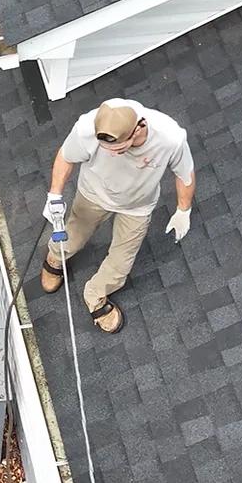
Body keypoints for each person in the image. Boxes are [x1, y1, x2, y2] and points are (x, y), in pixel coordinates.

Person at [41, 98, 196, 333]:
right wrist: (54, 194)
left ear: (139, 127)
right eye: (107, 150)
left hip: (137, 206)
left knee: (121, 264)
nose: (113, 154)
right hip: (93, 193)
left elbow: (185, 174)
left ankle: (95, 293)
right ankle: (55, 257)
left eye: (120, 149)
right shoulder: (86, 128)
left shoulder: (170, 137)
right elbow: (66, 156)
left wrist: (183, 210)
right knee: (71, 236)